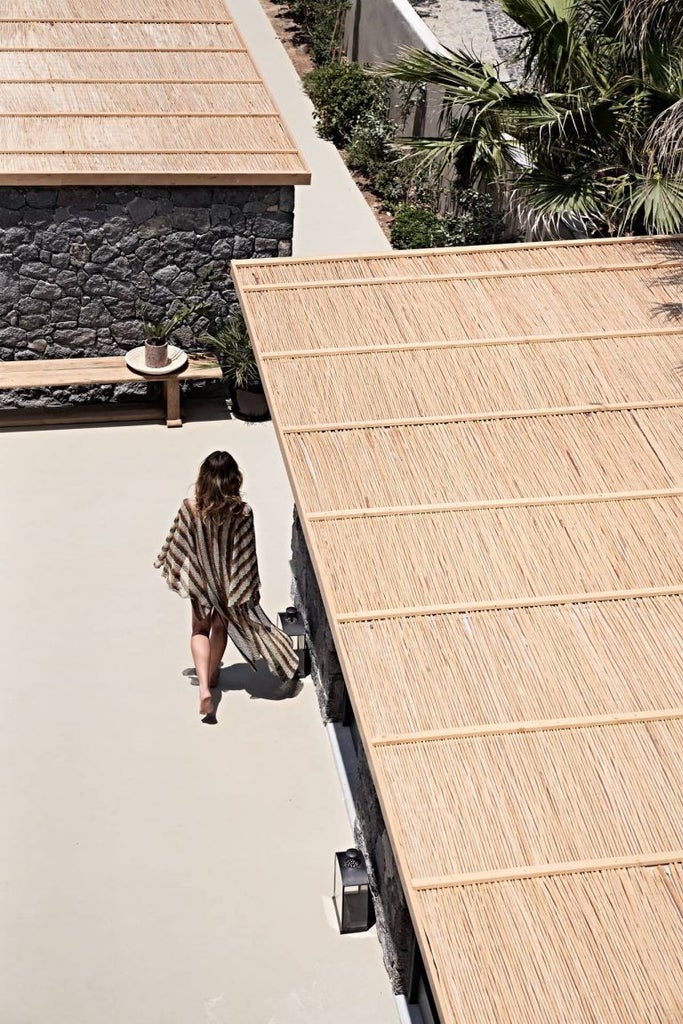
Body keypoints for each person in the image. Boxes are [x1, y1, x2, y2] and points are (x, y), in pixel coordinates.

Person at [155, 451, 298, 717]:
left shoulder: (190, 508)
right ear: (234, 479)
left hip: (202, 581)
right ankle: (212, 675)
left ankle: (204, 690)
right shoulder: (243, 512)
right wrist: (250, 588)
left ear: (204, 479)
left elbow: (179, 543)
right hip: (228, 586)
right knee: (219, 628)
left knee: (199, 630)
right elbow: (247, 554)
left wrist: (179, 569)